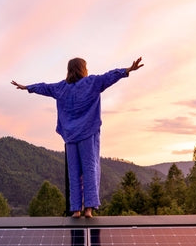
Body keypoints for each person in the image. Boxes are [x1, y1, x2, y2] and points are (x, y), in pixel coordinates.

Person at [12, 56, 144, 218]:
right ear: (83, 68)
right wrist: (127, 70)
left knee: (73, 172)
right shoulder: (91, 83)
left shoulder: (61, 88)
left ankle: (76, 209)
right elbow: (109, 76)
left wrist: (27, 87)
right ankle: (88, 209)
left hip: (70, 136)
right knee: (90, 169)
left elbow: (45, 87)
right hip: (88, 133)